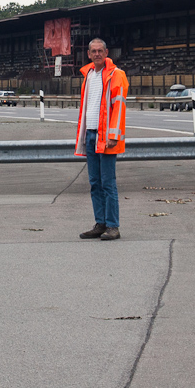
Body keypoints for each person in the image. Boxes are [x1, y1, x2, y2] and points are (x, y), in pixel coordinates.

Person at [74, 38, 129, 241]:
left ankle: (113, 226)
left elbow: (119, 107)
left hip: (105, 136)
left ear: (107, 53)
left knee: (108, 183)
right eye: (93, 51)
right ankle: (101, 223)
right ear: (88, 54)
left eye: (100, 51)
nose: (97, 54)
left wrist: (113, 136)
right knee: (95, 183)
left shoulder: (116, 74)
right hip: (90, 134)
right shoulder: (88, 74)